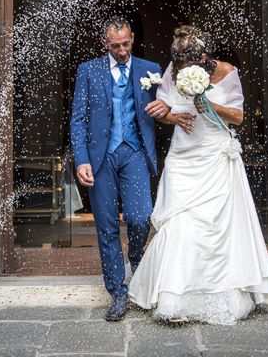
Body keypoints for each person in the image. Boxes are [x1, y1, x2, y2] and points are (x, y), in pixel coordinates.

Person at [129, 26, 268, 325]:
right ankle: (174, 297)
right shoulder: (173, 70)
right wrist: (168, 114)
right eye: (180, 66)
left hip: (213, 155)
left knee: (213, 227)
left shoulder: (226, 71)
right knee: (179, 222)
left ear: (204, 58)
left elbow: (238, 116)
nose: (182, 70)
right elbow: (167, 105)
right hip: (183, 157)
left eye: (189, 66)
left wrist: (208, 104)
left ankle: (215, 293)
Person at [70, 16, 163, 321]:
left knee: (139, 217)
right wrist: (82, 159)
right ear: (105, 43)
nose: (122, 51)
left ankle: (136, 259)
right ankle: (117, 292)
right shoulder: (88, 71)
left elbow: (167, 108)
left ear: (132, 38)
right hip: (101, 159)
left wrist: (168, 110)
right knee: (107, 226)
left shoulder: (151, 69)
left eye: (125, 44)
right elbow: (78, 120)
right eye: (115, 46)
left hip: (135, 152)